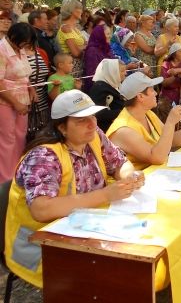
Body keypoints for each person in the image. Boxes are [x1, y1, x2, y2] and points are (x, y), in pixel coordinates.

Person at [5, 90, 145, 288]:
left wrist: (129, 176)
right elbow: (41, 209)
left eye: (93, 116)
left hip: (87, 230)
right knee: (116, 274)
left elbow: (119, 163)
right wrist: (105, 195)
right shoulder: (44, 156)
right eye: (81, 120)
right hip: (42, 245)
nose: (92, 124)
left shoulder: (93, 136)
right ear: (62, 127)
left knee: (134, 255)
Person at [107, 72, 181, 169]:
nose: (156, 93)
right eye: (152, 90)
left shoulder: (148, 114)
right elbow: (157, 158)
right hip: (141, 176)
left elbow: (170, 140)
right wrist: (170, 123)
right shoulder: (123, 129)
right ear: (140, 97)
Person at [0, 23, 36, 181]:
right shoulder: (2, 50)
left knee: (20, 136)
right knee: (6, 140)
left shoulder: (20, 49)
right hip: (5, 101)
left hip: (23, 99)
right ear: (13, 36)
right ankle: (5, 179)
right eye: (24, 42)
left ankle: (17, 173)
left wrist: (31, 88)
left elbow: (24, 74)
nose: (25, 45)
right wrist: (15, 103)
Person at [88, 59, 127, 132]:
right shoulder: (99, 88)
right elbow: (99, 113)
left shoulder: (115, 84)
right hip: (108, 130)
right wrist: (123, 112)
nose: (125, 73)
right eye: (122, 71)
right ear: (112, 72)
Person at [56, 0, 85, 78]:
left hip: (79, 66)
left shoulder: (75, 29)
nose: (82, 11)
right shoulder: (66, 28)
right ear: (73, 11)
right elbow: (76, 53)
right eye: (79, 8)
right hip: (71, 67)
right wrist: (84, 47)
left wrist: (81, 47)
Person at [82, 24, 113, 92]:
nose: (110, 36)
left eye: (110, 33)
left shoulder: (107, 48)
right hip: (98, 88)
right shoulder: (92, 51)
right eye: (108, 34)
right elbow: (92, 74)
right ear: (100, 35)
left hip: (109, 83)